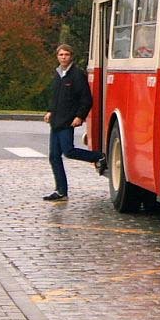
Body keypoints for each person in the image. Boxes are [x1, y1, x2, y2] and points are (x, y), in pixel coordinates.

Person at [43, 44, 106, 202]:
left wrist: (80, 116)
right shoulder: (57, 74)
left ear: (71, 56)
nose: (63, 57)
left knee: (69, 151)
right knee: (54, 156)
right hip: (56, 121)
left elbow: (86, 99)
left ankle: (98, 156)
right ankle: (61, 191)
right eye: (60, 55)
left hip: (68, 121)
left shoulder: (77, 75)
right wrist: (50, 111)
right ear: (57, 57)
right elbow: (54, 96)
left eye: (66, 54)